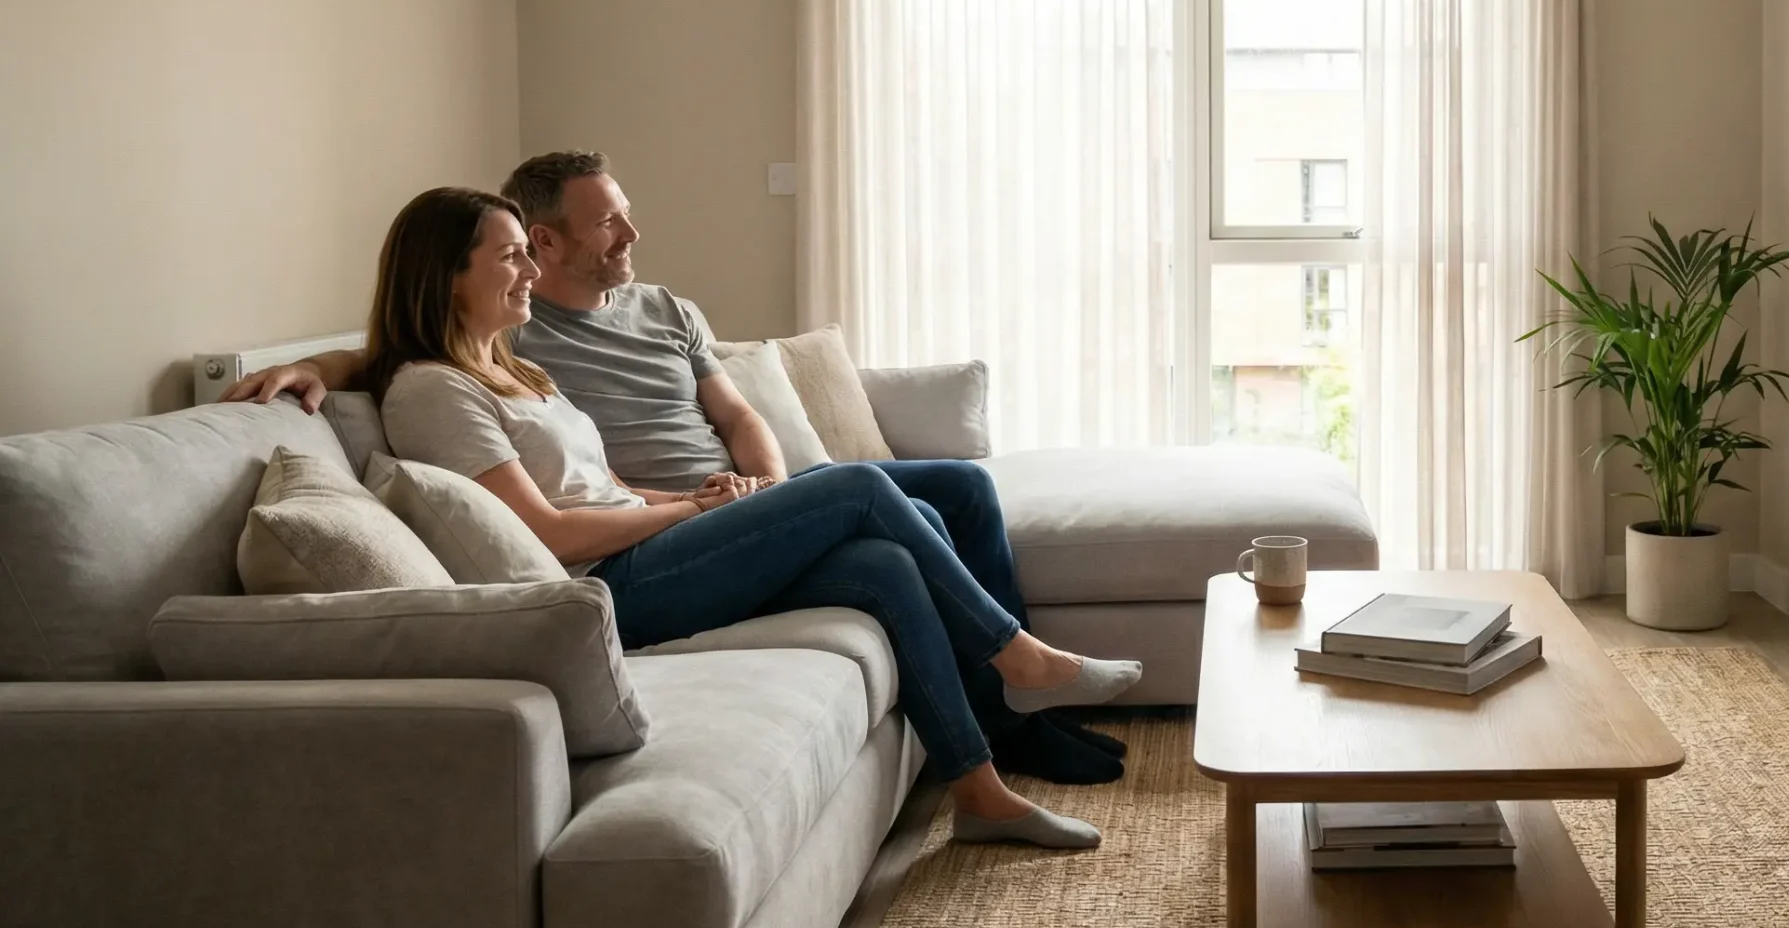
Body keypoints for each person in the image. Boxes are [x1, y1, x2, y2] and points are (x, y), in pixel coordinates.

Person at [231, 150, 1124, 784]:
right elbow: (408, 352)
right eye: (604, 218)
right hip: (634, 558)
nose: (629, 230)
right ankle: (1018, 662)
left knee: (932, 510)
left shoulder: (570, 340)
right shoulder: (498, 341)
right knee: (870, 495)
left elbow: (730, 411)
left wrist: (751, 488)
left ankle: (989, 751)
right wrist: (323, 367)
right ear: (541, 245)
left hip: (697, 509)